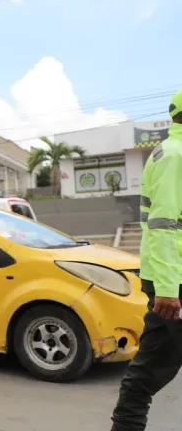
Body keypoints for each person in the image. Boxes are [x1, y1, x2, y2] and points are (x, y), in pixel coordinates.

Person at [110, 89, 182, 431]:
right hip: (174, 282)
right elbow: (166, 225)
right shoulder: (175, 155)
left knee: (152, 366)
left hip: (172, 277)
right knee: (150, 370)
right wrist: (168, 289)